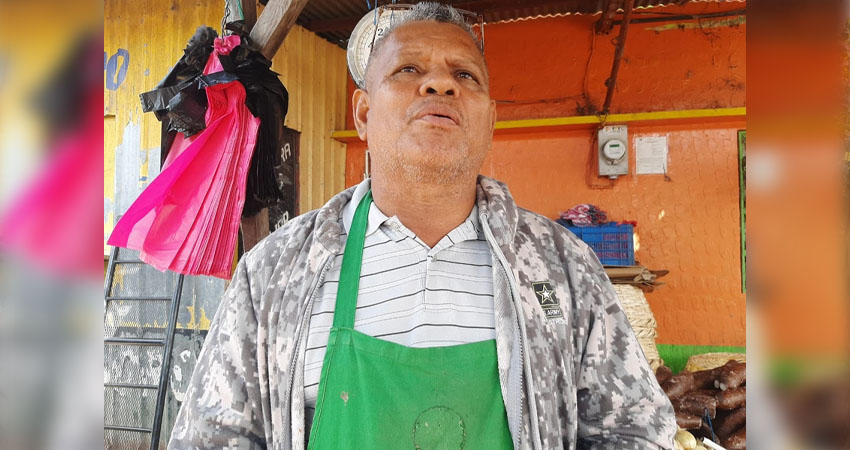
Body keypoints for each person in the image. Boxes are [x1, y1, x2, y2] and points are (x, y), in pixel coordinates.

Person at [167, 3, 677, 449]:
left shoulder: (563, 269)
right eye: (408, 69)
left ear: (490, 120)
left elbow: (635, 430)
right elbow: (211, 439)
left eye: (466, 75)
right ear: (363, 114)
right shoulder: (274, 273)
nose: (439, 83)